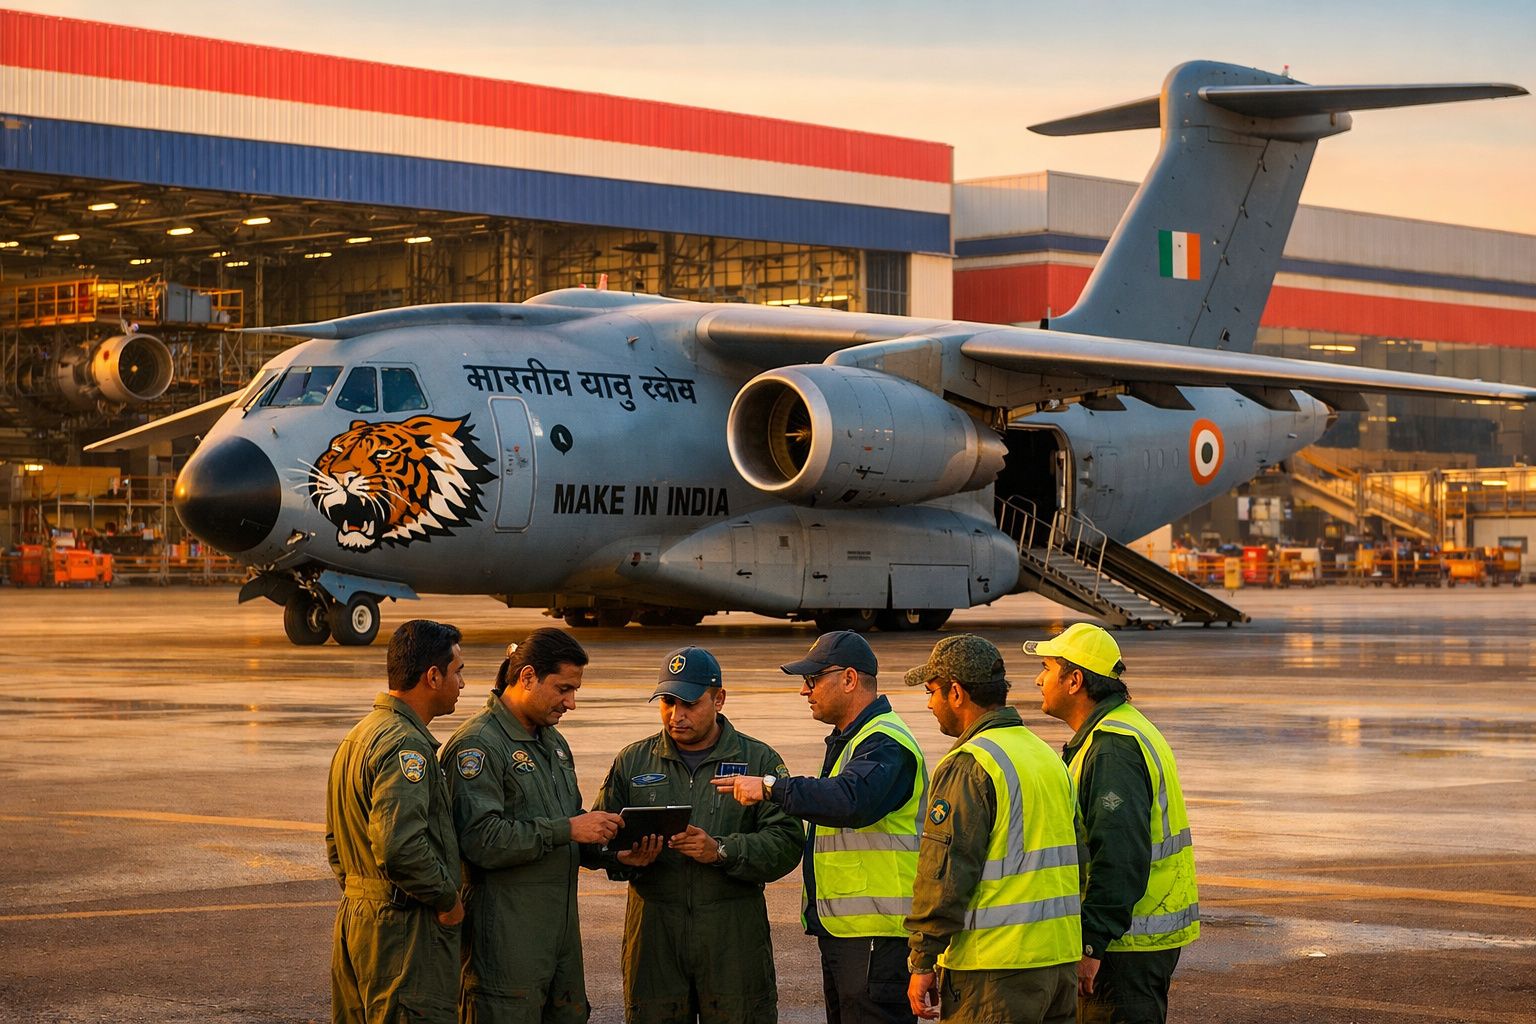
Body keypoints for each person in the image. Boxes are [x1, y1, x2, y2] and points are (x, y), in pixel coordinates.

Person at [712, 630, 927, 1024]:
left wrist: (771, 787)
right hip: (851, 934)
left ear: (848, 679)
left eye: (813, 679)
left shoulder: (885, 743)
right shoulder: (855, 739)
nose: (804, 690)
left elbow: (849, 800)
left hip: (878, 936)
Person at [594, 646, 803, 1024]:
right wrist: (621, 858)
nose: (677, 715)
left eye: (690, 703)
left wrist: (721, 850)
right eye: (668, 702)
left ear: (719, 698)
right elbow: (596, 838)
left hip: (733, 939)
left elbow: (788, 842)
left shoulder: (759, 760)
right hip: (655, 940)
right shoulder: (633, 761)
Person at [440, 627, 626, 1023]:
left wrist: (612, 850)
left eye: (574, 690)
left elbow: (571, 824)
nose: (571, 702)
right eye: (562, 689)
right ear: (526, 677)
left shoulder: (553, 744)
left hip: (558, 946)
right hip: (504, 950)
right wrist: (567, 830)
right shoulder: (478, 745)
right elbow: (480, 839)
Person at [902, 634, 1081, 1024]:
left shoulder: (971, 763)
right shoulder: (1045, 756)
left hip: (995, 972)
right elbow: (1079, 857)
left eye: (932, 691)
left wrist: (922, 958)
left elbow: (946, 872)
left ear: (957, 693)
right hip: (1058, 963)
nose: (929, 703)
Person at [1026, 623, 1199, 1024]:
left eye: (1047, 668)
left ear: (1074, 680)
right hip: (1129, 937)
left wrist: (1092, 943)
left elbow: (1119, 852)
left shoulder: (1112, 747)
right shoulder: (1113, 731)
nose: (1038, 678)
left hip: (1124, 946)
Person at [327, 618, 468, 1024]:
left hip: (359, 917)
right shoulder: (406, 746)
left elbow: (336, 841)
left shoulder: (359, 735)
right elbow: (399, 845)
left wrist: (364, 891)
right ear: (432, 676)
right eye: (457, 672)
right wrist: (446, 899)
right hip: (404, 930)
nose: (462, 684)